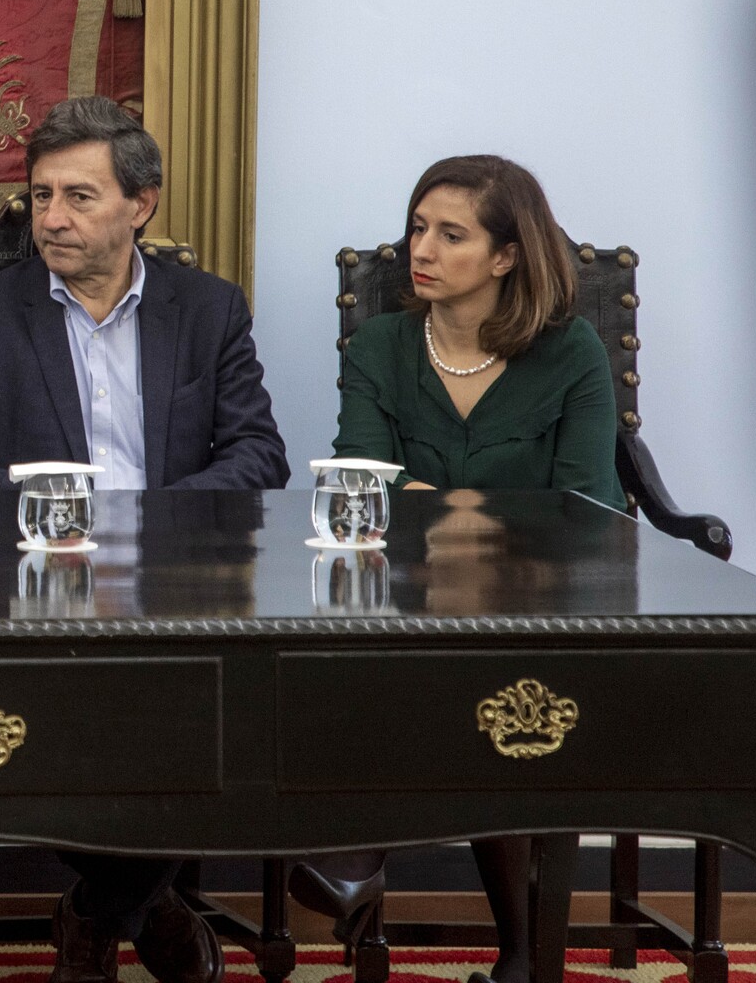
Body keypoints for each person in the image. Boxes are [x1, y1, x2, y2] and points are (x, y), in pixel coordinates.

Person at [0, 95, 287, 983]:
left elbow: (260, 455)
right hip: (31, 591)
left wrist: (150, 524)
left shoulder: (208, 310)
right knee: (53, 725)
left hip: (173, 585)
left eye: (78, 196)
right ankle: (148, 906)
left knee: (218, 722)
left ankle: (99, 910)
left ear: (140, 204)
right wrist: (51, 511)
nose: (52, 218)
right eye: (41, 196)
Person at [326, 154, 621, 983]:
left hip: (539, 597)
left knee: (491, 669)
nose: (420, 250)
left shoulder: (570, 352)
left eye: (451, 235)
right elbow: (361, 481)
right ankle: (519, 953)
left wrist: (445, 508)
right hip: (404, 594)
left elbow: (587, 506)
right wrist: (487, 513)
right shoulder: (379, 346)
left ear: (506, 256)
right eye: (418, 228)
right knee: (413, 662)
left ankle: (356, 856)